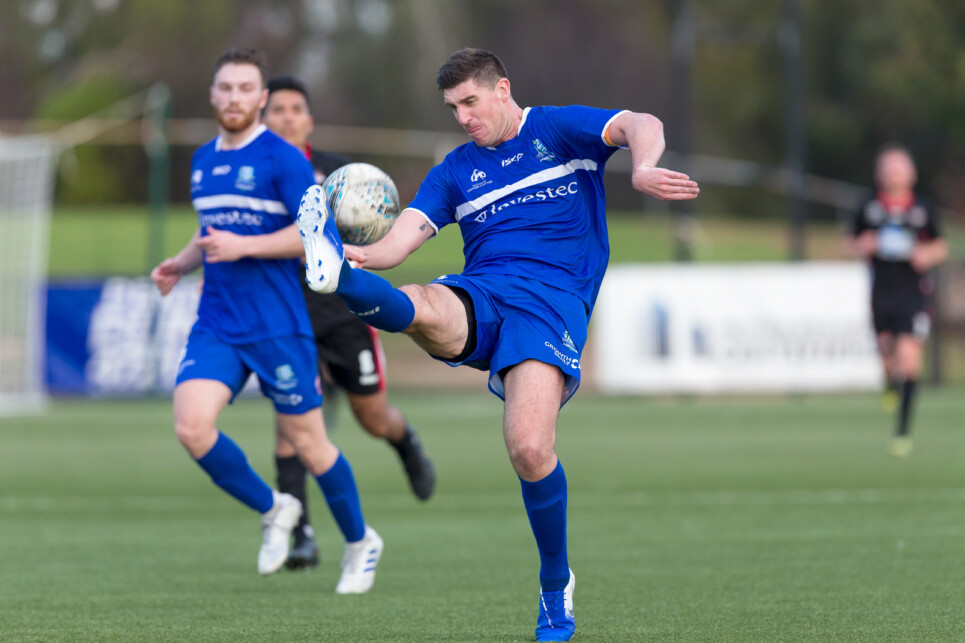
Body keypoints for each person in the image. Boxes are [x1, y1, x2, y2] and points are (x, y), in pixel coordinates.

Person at [295, 48, 699, 641]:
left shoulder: (557, 129)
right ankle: (333, 273)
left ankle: (555, 584)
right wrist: (352, 251)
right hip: (483, 292)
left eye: (470, 102)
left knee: (529, 450)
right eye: (452, 107)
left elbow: (644, 124)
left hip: (552, 303)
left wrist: (641, 168)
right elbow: (398, 242)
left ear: (502, 89)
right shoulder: (455, 170)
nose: (462, 117)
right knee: (420, 302)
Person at [149, 48, 382, 593]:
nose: (234, 98)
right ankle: (275, 508)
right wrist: (182, 264)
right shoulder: (203, 158)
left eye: (245, 89)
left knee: (311, 445)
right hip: (218, 322)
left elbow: (313, 235)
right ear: (213, 95)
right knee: (191, 426)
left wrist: (245, 246)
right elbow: (213, 228)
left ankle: (359, 541)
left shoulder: (283, 159)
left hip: (278, 323)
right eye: (225, 88)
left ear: (260, 99)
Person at [262, 75, 436, 570]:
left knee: (372, 417)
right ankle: (302, 535)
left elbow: (372, 230)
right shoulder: (253, 177)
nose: (288, 116)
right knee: (291, 422)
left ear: (309, 120)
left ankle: (406, 443)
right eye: (277, 109)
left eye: (296, 108)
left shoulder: (341, 177)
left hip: (342, 317)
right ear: (264, 118)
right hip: (284, 315)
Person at [849, 143, 947, 458]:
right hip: (882, 292)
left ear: (911, 172)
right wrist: (862, 245)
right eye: (888, 166)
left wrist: (926, 254)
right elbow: (849, 242)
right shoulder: (868, 207)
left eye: (899, 166)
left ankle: (902, 431)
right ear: (880, 174)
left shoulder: (922, 208)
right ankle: (890, 384)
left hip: (914, 293)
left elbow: (940, 246)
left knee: (909, 355)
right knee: (886, 352)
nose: (894, 172)